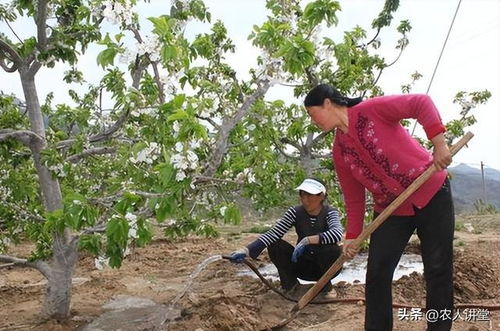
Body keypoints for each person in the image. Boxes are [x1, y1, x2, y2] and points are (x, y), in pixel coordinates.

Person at [304, 84, 454, 331]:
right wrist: (352, 236)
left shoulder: (371, 110)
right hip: (391, 210)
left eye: (313, 113)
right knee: (377, 273)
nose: (313, 121)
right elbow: (354, 198)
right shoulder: (340, 151)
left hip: (431, 193)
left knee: (438, 268)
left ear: (328, 103)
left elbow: (421, 102)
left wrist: (439, 143)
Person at [228, 178, 343, 298]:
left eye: (310, 196)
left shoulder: (330, 212)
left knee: (332, 250)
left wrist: (308, 240)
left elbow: (337, 234)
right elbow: (273, 234)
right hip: (302, 264)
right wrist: (246, 250)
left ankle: (326, 288)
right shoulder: (295, 212)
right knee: (274, 244)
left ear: (322, 197)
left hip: (325, 267)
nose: (305, 200)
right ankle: (290, 285)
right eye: (303, 195)